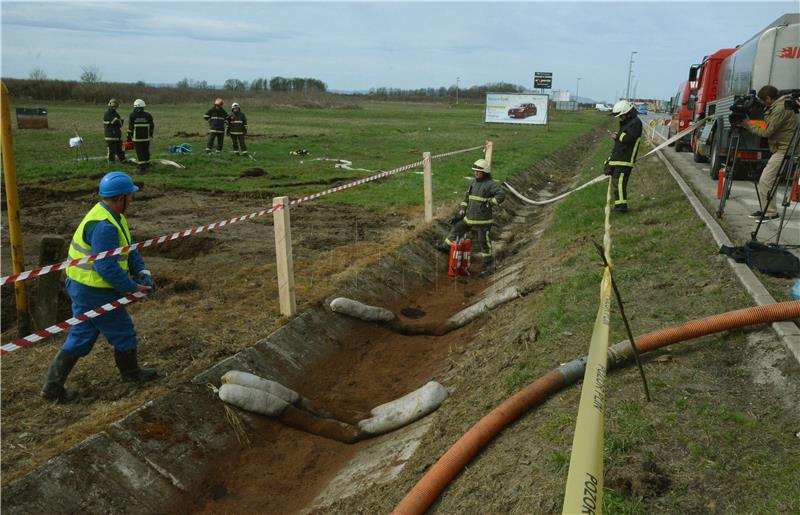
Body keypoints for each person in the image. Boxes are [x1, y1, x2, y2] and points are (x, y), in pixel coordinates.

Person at [41, 172, 157, 403]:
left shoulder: (112, 216)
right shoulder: (104, 226)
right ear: (121, 198)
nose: (132, 199)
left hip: (85, 287)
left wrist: (141, 271)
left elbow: (127, 248)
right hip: (94, 290)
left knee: (82, 334)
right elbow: (106, 267)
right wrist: (132, 288)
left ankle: (52, 388)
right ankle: (131, 374)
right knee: (123, 332)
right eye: (130, 196)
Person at [739, 85, 799, 220]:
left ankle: (771, 213)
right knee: (769, 181)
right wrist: (750, 122)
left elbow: (767, 131)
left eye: (763, 101)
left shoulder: (780, 108)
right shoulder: (777, 106)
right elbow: (767, 124)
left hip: (785, 149)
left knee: (765, 180)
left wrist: (748, 125)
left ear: (768, 98)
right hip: (781, 148)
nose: (762, 104)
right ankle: (766, 210)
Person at [437, 158, 505, 276]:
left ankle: (486, 265)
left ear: (485, 172)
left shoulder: (491, 184)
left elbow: (501, 194)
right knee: (457, 228)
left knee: (484, 242)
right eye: (475, 171)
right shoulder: (473, 183)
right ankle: (447, 247)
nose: (475, 173)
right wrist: (462, 210)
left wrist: (490, 203)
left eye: (478, 171)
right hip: (469, 218)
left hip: (483, 221)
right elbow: (466, 198)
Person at [604, 99, 642, 213]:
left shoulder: (636, 123)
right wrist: (610, 161)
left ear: (628, 113)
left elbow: (630, 138)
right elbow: (619, 146)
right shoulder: (627, 123)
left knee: (619, 184)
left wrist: (618, 136)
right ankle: (619, 206)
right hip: (619, 160)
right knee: (617, 183)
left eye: (621, 116)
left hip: (625, 160)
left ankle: (621, 208)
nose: (620, 118)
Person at [127, 99, 155, 173]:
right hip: (146, 138)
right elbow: (152, 126)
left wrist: (129, 138)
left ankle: (142, 169)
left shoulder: (132, 115)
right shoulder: (148, 115)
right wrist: (151, 135)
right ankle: (147, 164)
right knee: (146, 151)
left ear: (136, 107)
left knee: (140, 153)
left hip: (137, 139)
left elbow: (130, 128)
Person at [103, 99, 126, 163]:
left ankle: (123, 160)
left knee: (121, 148)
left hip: (117, 135)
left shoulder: (116, 114)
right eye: (113, 106)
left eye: (115, 106)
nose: (114, 108)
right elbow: (114, 122)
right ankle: (111, 162)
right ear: (110, 106)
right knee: (111, 149)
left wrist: (119, 121)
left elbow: (120, 124)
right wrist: (119, 121)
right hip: (110, 135)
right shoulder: (107, 114)